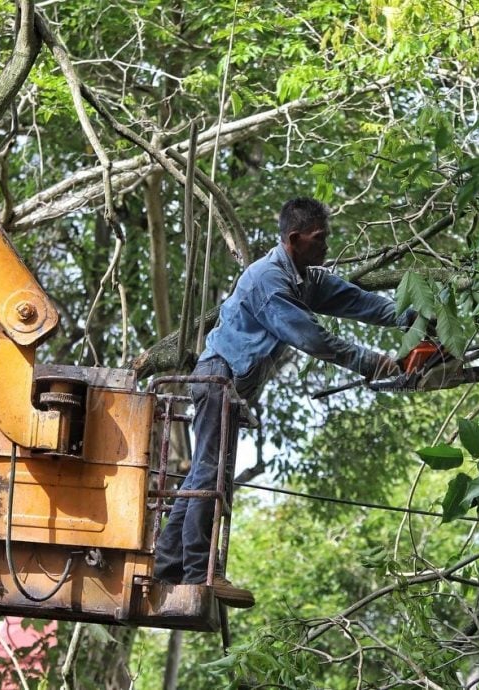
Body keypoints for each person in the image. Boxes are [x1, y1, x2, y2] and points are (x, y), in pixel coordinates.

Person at [154, 197, 414, 605]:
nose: (326, 246)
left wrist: (411, 316)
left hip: (231, 385)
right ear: (295, 239)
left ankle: (166, 564)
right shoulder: (268, 281)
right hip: (216, 377)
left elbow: (357, 301)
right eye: (320, 239)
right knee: (210, 475)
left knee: (201, 475)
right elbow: (309, 337)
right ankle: (200, 575)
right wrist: (370, 361)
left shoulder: (306, 278)